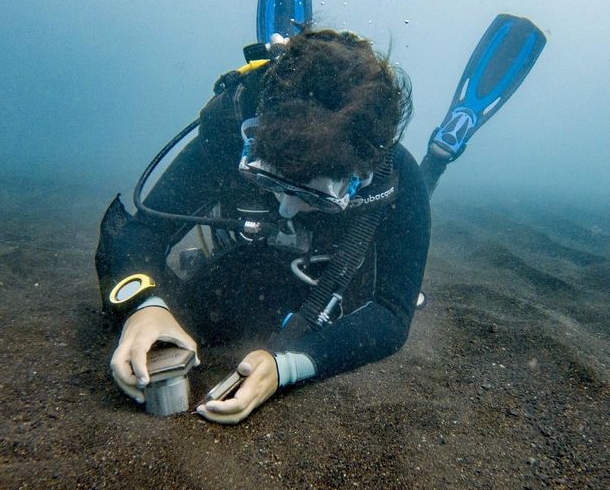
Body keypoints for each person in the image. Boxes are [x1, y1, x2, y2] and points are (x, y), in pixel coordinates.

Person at [94, 27, 430, 424]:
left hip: (333, 274)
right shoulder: (228, 130)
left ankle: (438, 157)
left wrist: (287, 367)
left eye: (314, 196)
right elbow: (140, 231)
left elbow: (391, 314)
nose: (286, 209)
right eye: (269, 180)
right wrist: (145, 307)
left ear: (358, 179)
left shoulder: (399, 179)